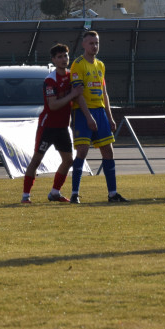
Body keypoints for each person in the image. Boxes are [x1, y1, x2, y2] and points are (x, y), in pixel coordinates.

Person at [69, 30, 127, 203]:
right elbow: (78, 94)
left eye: (96, 43)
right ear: (83, 45)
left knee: (108, 152)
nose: (94, 46)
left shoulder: (100, 65)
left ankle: (112, 194)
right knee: (82, 151)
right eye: (91, 43)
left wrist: (110, 117)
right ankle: (74, 194)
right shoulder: (77, 64)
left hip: (100, 112)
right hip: (83, 112)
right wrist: (88, 116)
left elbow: (104, 92)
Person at [21, 43, 82, 203]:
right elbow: (53, 105)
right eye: (60, 57)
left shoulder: (71, 76)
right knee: (36, 160)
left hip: (62, 127)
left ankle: (55, 192)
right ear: (53, 60)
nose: (64, 59)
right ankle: (25, 196)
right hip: (48, 126)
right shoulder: (50, 80)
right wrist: (72, 94)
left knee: (68, 160)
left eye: (66, 56)